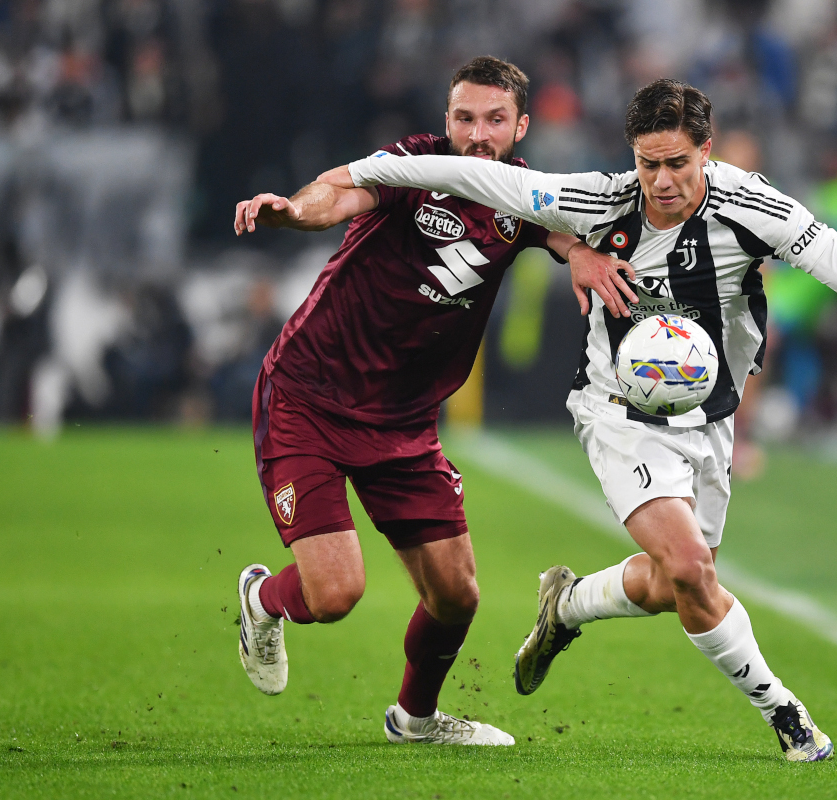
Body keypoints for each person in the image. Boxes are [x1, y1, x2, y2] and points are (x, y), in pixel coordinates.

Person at [343, 78, 837, 762]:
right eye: (649, 164)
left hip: (710, 420)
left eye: (678, 163)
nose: (663, 180)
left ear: (707, 150)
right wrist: (357, 173)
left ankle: (568, 606)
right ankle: (788, 717)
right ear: (632, 156)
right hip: (618, 413)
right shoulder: (600, 200)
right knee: (692, 570)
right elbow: (477, 176)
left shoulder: (754, 207)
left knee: (674, 584)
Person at [230, 56, 636, 746]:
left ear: (520, 126)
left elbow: (563, 230)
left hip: (403, 425)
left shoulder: (523, 193)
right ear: (445, 121)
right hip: (310, 397)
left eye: (494, 120)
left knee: (456, 596)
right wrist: (295, 213)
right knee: (334, 595)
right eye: (465, 118)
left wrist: (584, 256)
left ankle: (414, 720)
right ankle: (260, 599)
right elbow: (340, 192)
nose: (478, 135)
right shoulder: (414, 166)